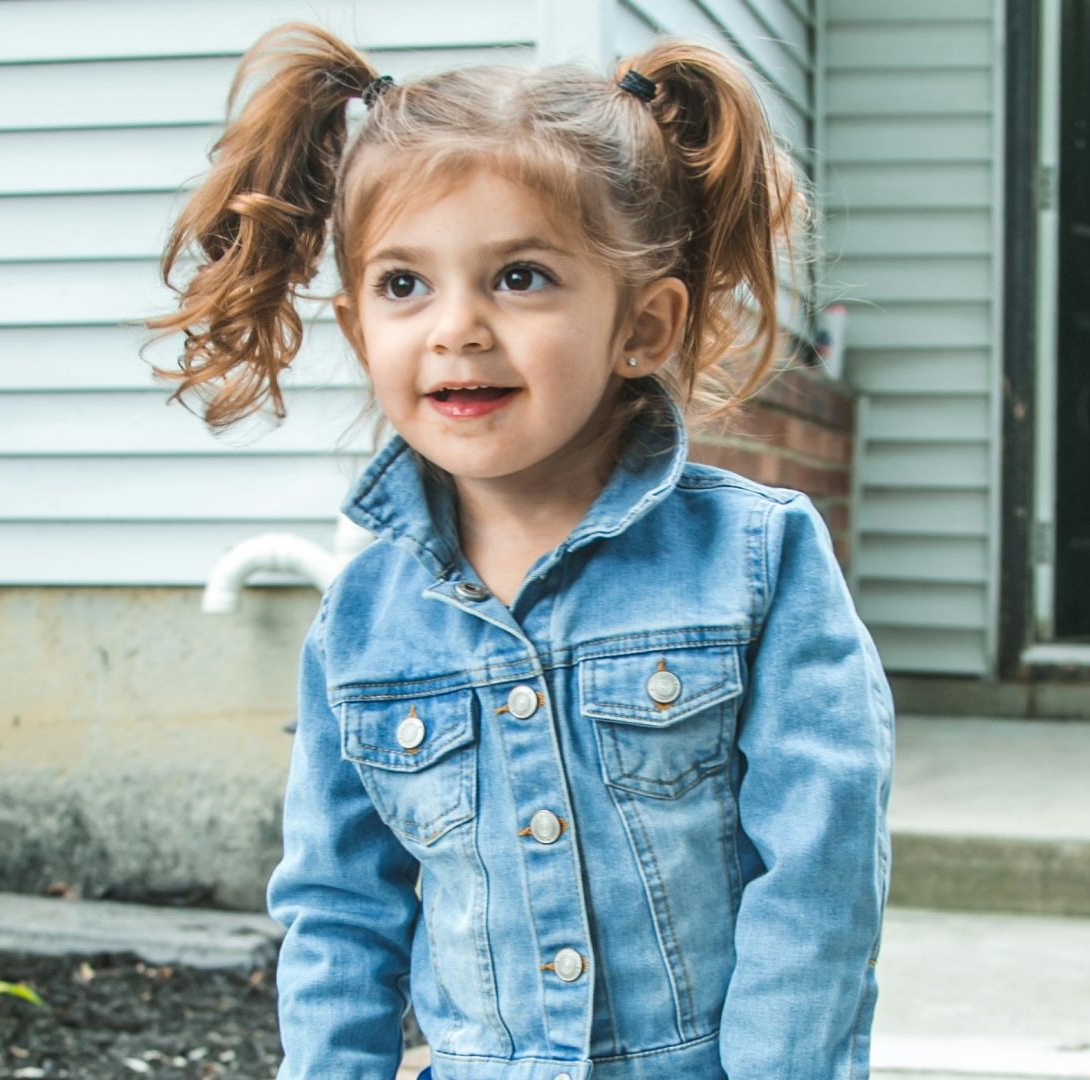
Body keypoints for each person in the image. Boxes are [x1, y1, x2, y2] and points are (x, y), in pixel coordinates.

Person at [145, 21, 894, 1080]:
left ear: (644, 326)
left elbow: (819, 883)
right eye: (405, 284)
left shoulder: (759, 564)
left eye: (522, 277)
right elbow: (338, 912)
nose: (456, 327)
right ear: (360, 331)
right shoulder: (360, 621)